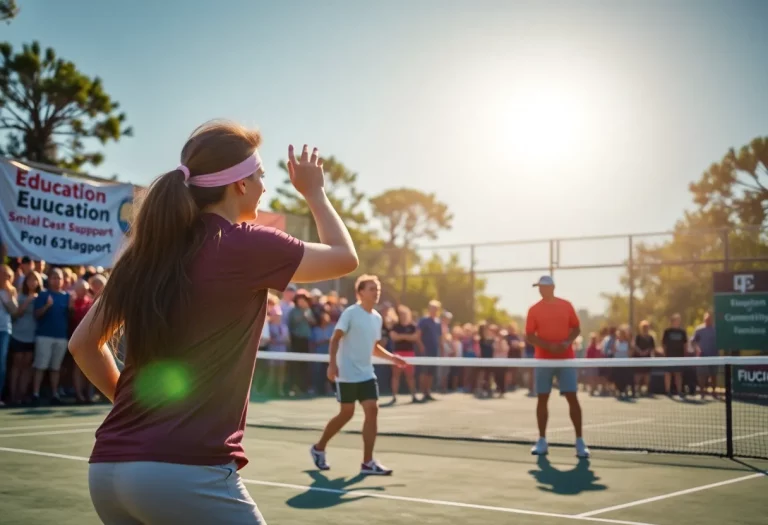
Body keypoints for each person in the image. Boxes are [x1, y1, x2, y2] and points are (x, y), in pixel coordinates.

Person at [69, 121, 359, 524]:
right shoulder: (246, 244)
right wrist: (314, 192)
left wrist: (137, 413)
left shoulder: (147, 252)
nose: (263, 185)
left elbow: (83, 344)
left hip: (107, 472)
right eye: (259, 176)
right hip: (185, 474)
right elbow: (344, 257)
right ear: (239, 184)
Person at [310, 275, 406, 476]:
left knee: (372, 409)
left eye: (377, 288)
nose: (376, 291)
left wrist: (393, 358)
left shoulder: (377, 318)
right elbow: (335, 340)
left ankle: (367, 462)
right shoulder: (350, 313)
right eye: (371, 288)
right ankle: (318, 448)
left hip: (366, 373)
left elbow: (374, 347)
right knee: (347, 413)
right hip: (346, 372)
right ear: (360, 292)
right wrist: (332, 365)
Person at [525, 275, 590, 458]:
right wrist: (548, 346)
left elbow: (576, 328)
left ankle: (579, 442)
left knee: (572, 397)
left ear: (552, 288)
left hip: (565, 360)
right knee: (542, 398)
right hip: (543, 360)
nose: (540, 290)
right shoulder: (534, 309)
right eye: (539, 287)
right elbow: (530, 335)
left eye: (543, 287)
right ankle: (542, 440)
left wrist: (567, 342)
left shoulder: (566, 305)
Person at [32, 267, 70, 406]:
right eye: (54, 278)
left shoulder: (67, 296)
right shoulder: (43, 295)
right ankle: (35, 394)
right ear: (49, 280)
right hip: (44, 336)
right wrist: (47, 306)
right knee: (40, 366)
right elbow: (36, 315)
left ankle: (55, 394)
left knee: (55, 368)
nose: (56, 281)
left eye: (59, 278)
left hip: (61, 337)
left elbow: (70, 317)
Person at [389, 305, 420, 403]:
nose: (402, 316)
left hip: (409, 353)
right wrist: (407, 337)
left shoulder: (412, 326)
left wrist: (401, 336)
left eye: (404, 314)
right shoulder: (395, 326)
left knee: (410, 376)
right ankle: (394, 396)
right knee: (396, 375)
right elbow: (394, 337)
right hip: (397, 353)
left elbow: (415, 337)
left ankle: (414, 396)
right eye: (401, 314)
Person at [0, 264, 19, 406]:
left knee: (2, 365)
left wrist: (7, 296)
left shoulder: (11, 291)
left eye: (7, 274)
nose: (4, 277)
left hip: (4, 330)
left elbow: (14, 311)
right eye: (2, 274)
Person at [417, 300, 443, 401]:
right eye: (432, 308)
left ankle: (428, 391)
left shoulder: (438, 322)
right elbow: (418, 335)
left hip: (434, 350)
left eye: (436, 309)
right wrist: (421, 346)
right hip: (425, 350)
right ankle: (422, 391)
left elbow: (440, 337)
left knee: (431, 372)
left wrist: (441, 349)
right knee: (424, 371)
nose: (434, 310)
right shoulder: (423, 321)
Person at [692, 312, 718, 398]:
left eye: (709, 319)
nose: (708, 321)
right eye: (706, 319)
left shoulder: (716, 329)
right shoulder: (699, 330)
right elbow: (693, 342)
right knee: (701, 375)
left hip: (714, 356)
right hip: (702, 357)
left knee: (713, 374)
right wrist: (697, 349)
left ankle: (714, 392)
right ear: (704, 319)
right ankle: (702, 392)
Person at [662, 313, 688, 397]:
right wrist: (665, 355)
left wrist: (685, 354)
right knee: (668, 373)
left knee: (678, 374)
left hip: (679, 356)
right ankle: (667, 391)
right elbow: (664, 344)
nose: (678, 322)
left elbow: (685, 344)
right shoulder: (667, 331)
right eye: (676, 320)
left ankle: (679, 391)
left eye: (679, 320)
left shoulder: (682, 332)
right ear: (672, 321)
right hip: (669, 356)